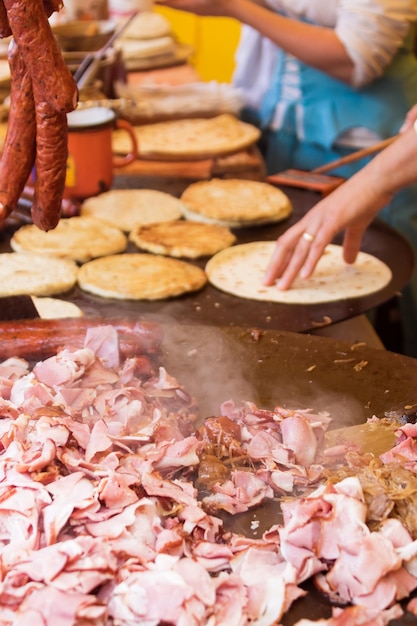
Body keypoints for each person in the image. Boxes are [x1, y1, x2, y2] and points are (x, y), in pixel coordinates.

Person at [157, 0, 417, 356]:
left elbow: (356, 57)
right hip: (288, 126)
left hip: (372, 144)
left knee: (385, 303)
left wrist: (372, 182)